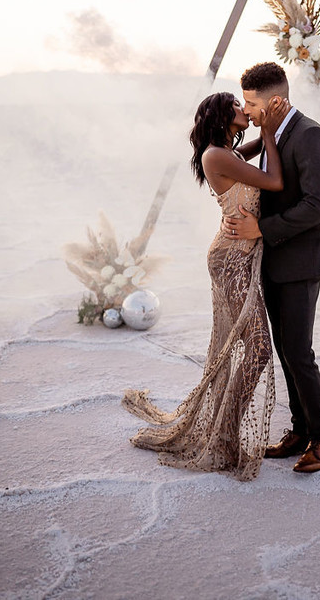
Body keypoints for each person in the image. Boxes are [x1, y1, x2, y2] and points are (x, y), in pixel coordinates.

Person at [122, 90, 290, 481]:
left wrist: (266, 131)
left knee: (251, 347)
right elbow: (275, 181)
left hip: (241, 256)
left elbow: (244, 157)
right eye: (236, 105)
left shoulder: (225, 154)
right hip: (231, 260)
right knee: (259, 349)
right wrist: (268, 132)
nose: (243, 109)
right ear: (220, 115)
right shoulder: (216, 155)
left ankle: (223, 433)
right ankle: (224, 439)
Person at [223, 62, 320, 473]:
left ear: (274, 101)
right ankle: (299, 429)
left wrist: (261, 228)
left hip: (301, 261)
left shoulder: (311, 135)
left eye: (252, 104)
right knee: (285, 352)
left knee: (298, 352)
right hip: (271, 258)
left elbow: (316, 205)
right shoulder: (271, 133)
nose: (247, 112)